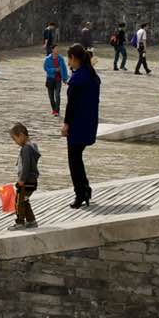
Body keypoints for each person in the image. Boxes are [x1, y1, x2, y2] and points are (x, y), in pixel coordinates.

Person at [62, 44, 100, 209]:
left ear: (72, 58)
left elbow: (71, 105)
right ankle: (84, 189)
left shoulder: (78, 78)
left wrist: (66, 124)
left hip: (77, 123)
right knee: (77, 157)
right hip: (89, 122)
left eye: (68, 58)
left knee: (74, 160)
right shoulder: (92, 75)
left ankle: (81, 192)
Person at [10, 123, 40, 229]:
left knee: (19, 202)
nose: (16, 143)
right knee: (25, 200)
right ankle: (31, 221)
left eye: (15, 139)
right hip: (33, 181)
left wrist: (21, 180)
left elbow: (26, 166)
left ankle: (20, 223)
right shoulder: (33, 146)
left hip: (26, 181)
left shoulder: (26, 149)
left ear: (22, 135)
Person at [43, 44, 69, 117]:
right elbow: (45, 68)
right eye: (56, 49)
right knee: (51, 97)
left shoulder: (61, 59)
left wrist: (65, 78)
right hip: (50, 79)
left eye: (58, 49)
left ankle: (57, 110)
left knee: (57, 95)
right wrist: (54, 70)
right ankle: (54, 109)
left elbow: (64, 69)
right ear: (52, 50)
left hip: (58, 79)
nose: (57, 50)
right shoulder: (47, 59)